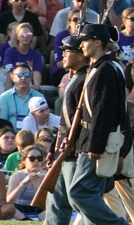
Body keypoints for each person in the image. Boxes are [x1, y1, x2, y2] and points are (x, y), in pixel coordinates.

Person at [70, 23, 129, 225]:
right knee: (88, 195)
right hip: (88, 140)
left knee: (79, 193)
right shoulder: (98, 68)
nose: (82, 45)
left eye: (85, 41)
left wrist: (95, 145)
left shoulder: (105, 70)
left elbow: (103, 112)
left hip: (95, 142)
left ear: (98, 42)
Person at [43, 35, 89, 224]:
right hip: (63, 146)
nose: (62, 54)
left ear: (80, 55)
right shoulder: (74, 78)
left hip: (74, 149)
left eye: (67, 51)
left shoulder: (85, 79)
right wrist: (54, 146)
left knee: (78, 199)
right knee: (56, 200)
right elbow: (65, 121)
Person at [6, 144, 47, 220]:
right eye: (32, 158)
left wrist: (46, 181)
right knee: (7, 207)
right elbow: (9, 201)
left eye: (39, 158)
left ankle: (35, 219)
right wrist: (23, 183)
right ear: (24, 160)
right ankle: (26, 220)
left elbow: (53, 200)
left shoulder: (46, 176)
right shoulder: (17, 176)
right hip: (19, 210)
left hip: (40, 211)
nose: (36, 161)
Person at [0, 64, 45, 131]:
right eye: (19, 75)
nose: (23, 78)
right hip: (11, 137)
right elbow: (1, 123)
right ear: (12, 77)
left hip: (33, 137)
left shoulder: (39, 96)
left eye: (27, 75)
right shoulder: (4, 97)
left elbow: (44, 120)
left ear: (31, 77)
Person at [2, 22, 43, 89]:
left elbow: (36, 77)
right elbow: (10, 74)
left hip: (30, 88)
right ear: (17, 36)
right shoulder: (10, 52)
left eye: (28, 34)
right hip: (13, 88)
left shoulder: (36, 55)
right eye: (22, 34)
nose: (25, 36)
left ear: (32, 36)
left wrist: (36, 87)